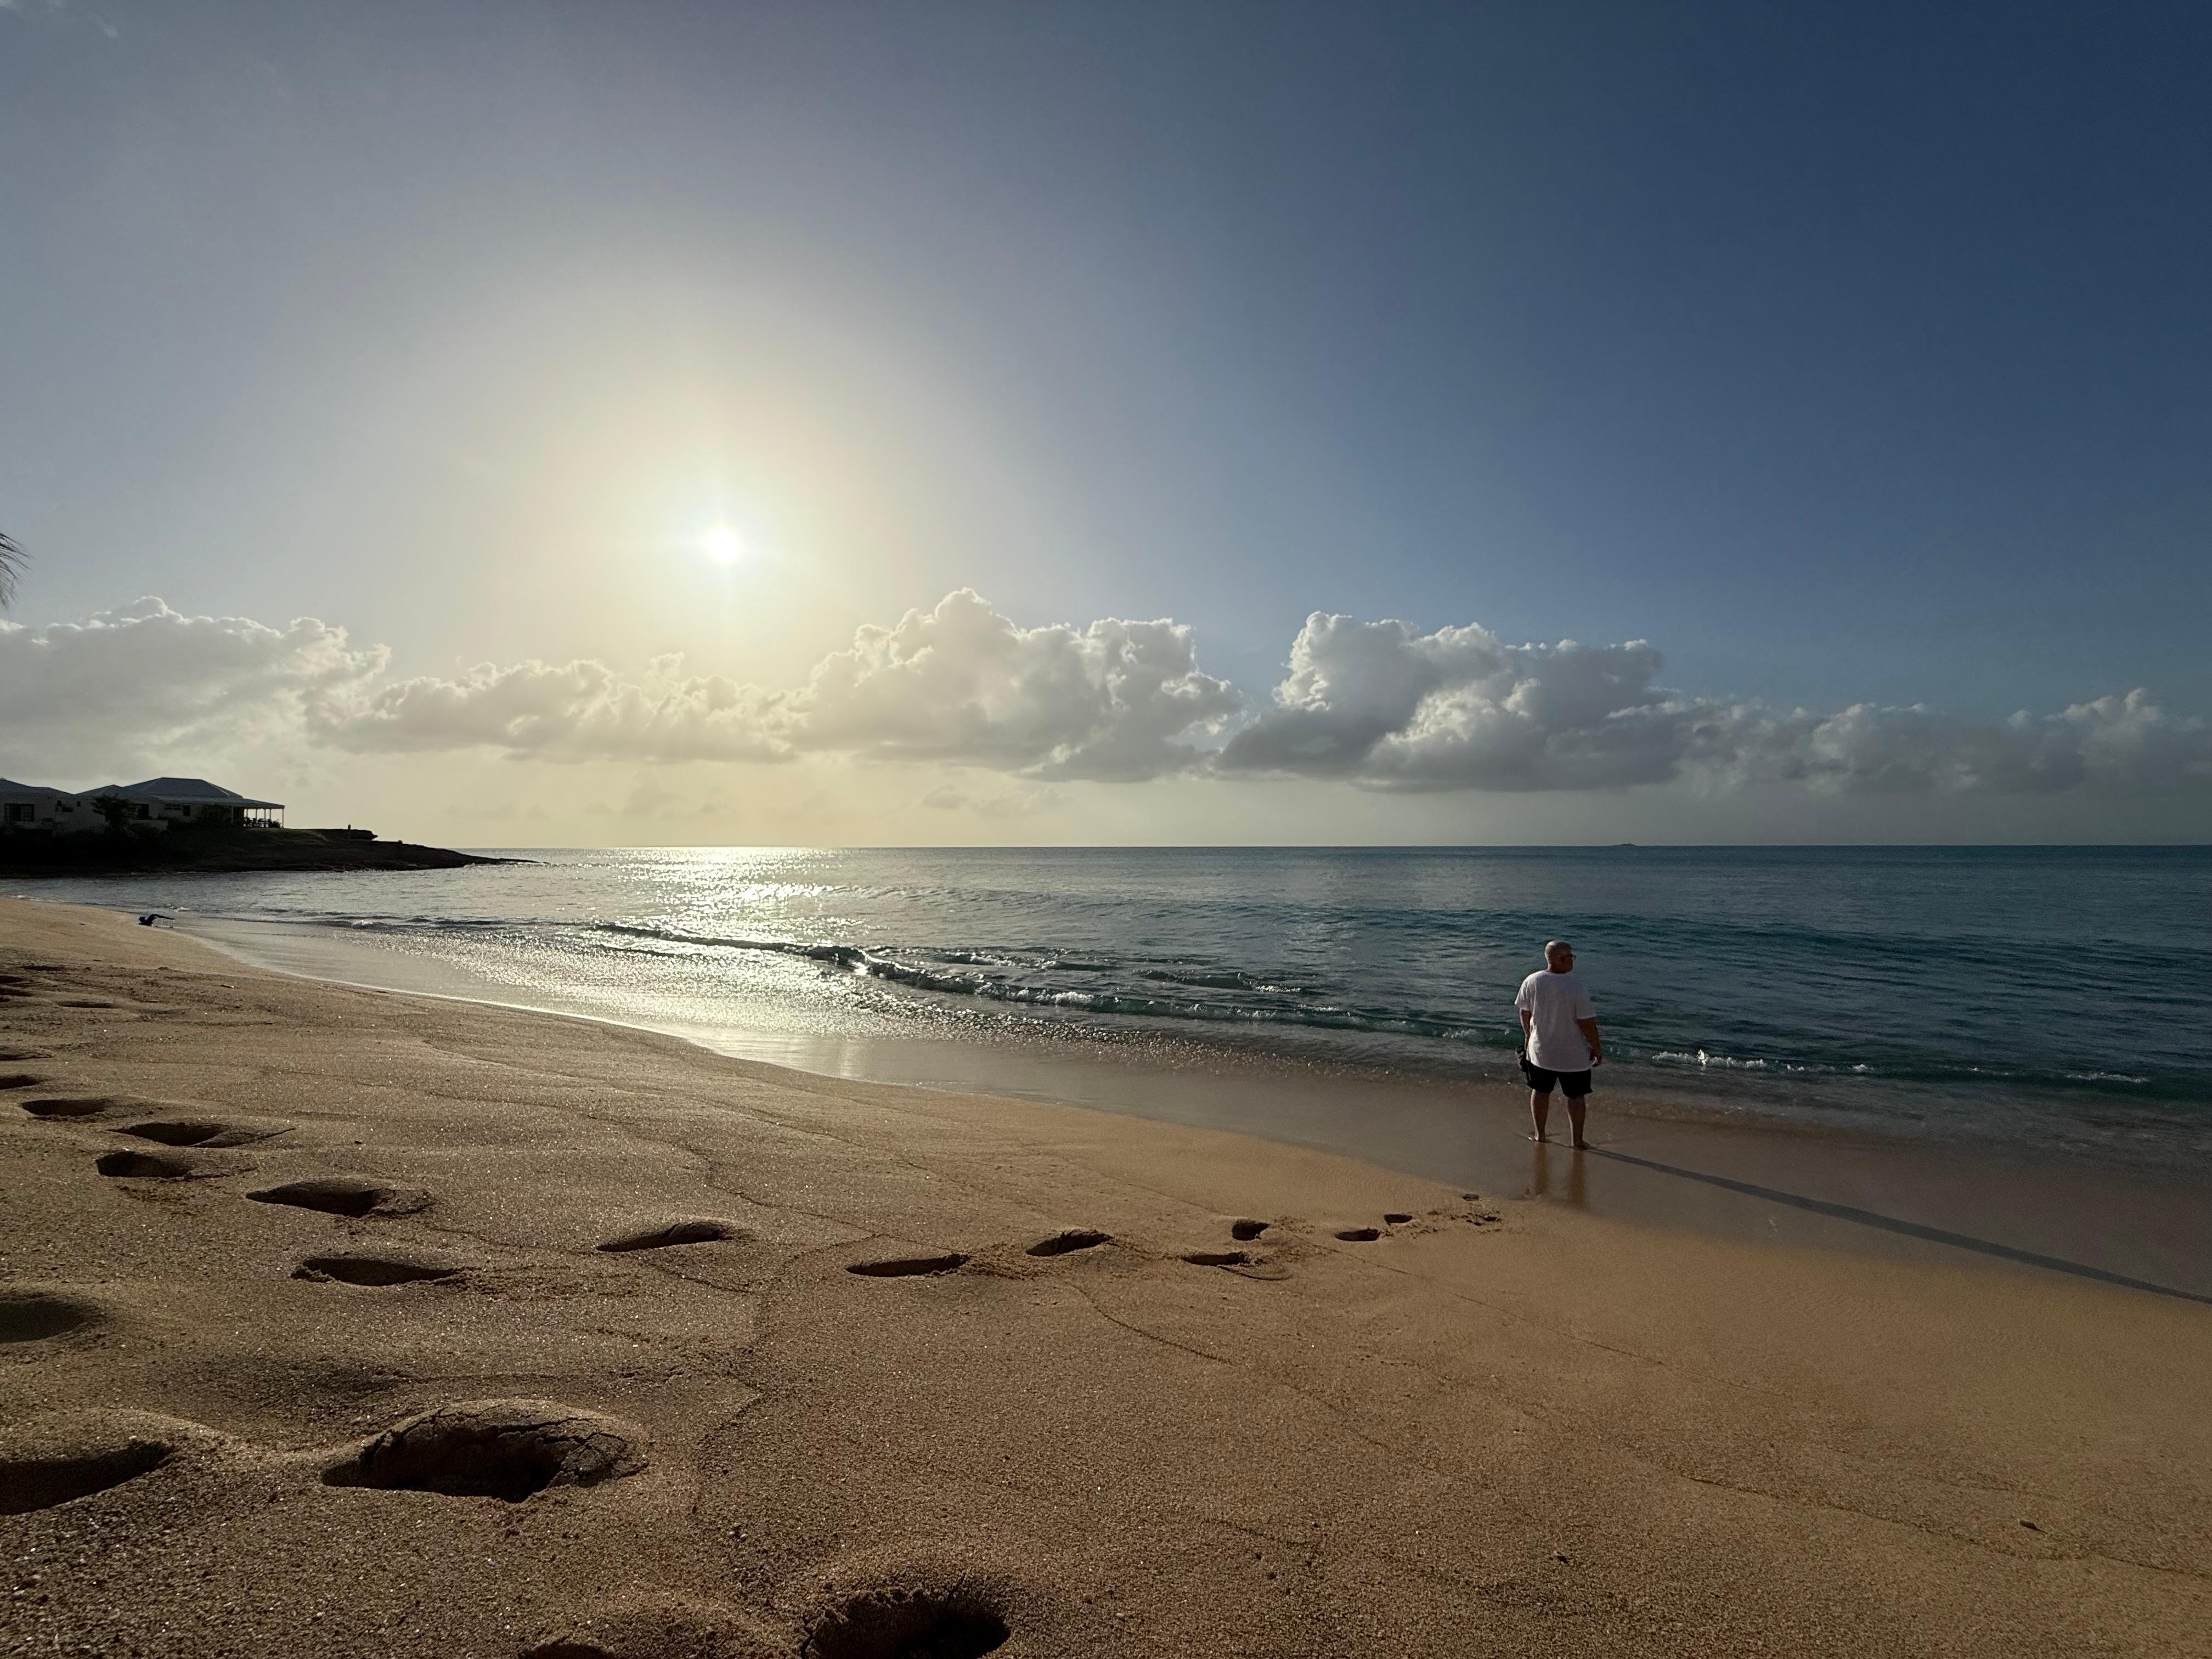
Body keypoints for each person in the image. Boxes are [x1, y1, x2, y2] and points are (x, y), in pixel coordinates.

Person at [1515, 940, 1601, 1148]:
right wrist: (1596, 1047)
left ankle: (1540, 1135)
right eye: (1570, 956)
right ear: (1561, 959)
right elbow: (1586, 1022)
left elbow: (1524, 1012)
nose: (1572, 960)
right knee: (1576, 1096)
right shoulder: (1576, 987)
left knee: (1540, 1091)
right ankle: (1577, 1141)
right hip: (1572, 1055)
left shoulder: (1532, 981)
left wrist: (1528, 1036)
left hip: (1540, 1051)